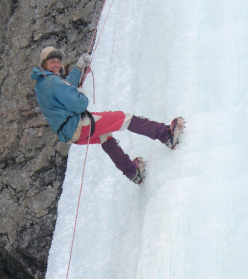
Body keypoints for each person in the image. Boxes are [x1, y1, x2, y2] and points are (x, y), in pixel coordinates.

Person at [31, 47, 185, 184]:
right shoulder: (51, 81)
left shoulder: (43, 83)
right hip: (78, 126)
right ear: (44, 64)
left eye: (58, 61)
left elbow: (66, 86)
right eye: (52, 62)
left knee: (105, 136)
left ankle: (133, 172)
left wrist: (79, 67)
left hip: (70, 135)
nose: (57, 65)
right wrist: (81, 95)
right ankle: (167, 135)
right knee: (123, 118)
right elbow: (79, 104)